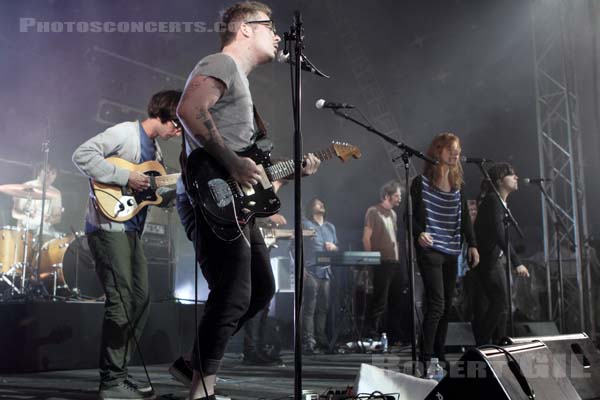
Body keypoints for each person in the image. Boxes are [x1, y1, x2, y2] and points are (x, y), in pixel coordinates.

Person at [174, 2, 320, 399]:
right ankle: (200, 392)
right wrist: (233, 163)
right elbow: (188, 109)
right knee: (234, 292)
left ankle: (194, 364)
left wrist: (284, 175)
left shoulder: (239, 81)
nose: (277, 35)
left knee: (261, 289)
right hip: (212, 196)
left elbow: (252, 173)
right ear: (244, 29)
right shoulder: (221, 63)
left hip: (235, 202)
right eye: (270, 26)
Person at [72, 90, 182, 400]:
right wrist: (126, 176)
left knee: (142, 299)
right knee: (120, 301)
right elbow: (82, 155)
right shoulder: (125, 133)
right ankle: (111, 382)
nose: (178, 131)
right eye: (177, 123)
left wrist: (182, 191)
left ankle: (118, 372)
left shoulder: (157, 154)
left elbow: (154, 194)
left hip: (132, 231)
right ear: (165, 115)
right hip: (108, 227)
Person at [410, 132, 479, 364]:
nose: (455, 153)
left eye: (457, 149)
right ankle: (426, 355)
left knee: (447, 306)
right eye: (450, 149)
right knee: (437, 304)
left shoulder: (458, 186)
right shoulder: (421, 183)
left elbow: (465, 220)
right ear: (437, 151)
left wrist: (473, 245)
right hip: (430, 250)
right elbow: (407, 217)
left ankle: (438, 353)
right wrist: (419, 232)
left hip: (452, 250)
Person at [472, 162, 529, 345]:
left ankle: (498, 343)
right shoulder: (492, 201)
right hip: (488, 261)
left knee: (502, 306)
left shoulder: (499, 202)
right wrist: (516, 262)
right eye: (511, 175)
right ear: (499, 180)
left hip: (494, 260)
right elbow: (499, 234)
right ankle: (481, 344)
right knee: (500, 302)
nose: (516, 177)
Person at [362, 180, 402, 338]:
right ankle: (371, 332)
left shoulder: (393, 214)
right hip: (381, 261)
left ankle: (393, 334)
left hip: (395, 262)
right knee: (380, 300)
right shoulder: (373, 211)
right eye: (397, 195)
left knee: (397, 298)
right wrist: (371, 261)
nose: (400, 198)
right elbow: (366, 238)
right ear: (387, 196)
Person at [300, 197, 338, 354]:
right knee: (309, 307)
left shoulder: (330, 227)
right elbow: (295, 248)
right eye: (317, 202)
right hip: (310, 270)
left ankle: (321, 339)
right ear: (311, 208)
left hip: (326, 272)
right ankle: (308, 341)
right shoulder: (306, 225)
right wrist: (301, 269)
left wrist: (333, 247)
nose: (322, 203)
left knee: (323, 308)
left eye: (322, 202)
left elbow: (337, 247)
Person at [12, 163, 62, 236]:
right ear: (39, 172)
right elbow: (14, 213)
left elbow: (58, 217)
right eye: (47, 172)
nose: (49, 176)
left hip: (45, 230)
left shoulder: (56, 193)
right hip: (25, 229)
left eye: (53, 173)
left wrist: (50, 219)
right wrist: (26, 215)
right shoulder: (26, 187)